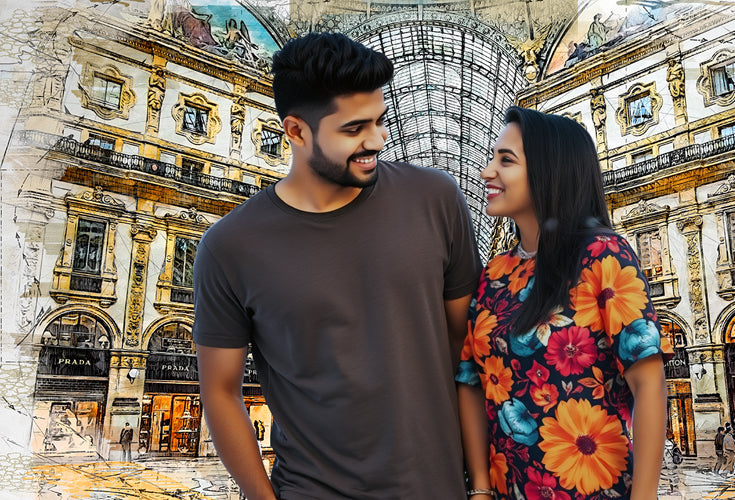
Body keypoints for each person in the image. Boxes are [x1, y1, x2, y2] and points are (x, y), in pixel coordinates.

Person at [193, 32, 481, 499]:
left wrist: (481, 483)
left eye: (380, 121)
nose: (376, 141)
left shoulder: (435, 199)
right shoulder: (229, 247)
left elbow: (465, 347)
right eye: (353, 130)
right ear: (296, 131)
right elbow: (221, 392)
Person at [456, 107, 669, 500]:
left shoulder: (603, 255)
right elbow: (470, 382)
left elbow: (649, 381)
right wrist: (481, 489)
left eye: (506, 160)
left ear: (548, 170)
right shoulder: (493, 275)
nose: (487, 171)